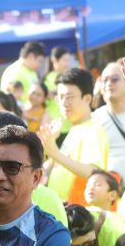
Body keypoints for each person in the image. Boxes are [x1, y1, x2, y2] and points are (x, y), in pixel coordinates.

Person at [40, 68, 110, 206]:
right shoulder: (75, 128)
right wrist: (49, 145)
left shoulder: (93, 130)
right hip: (63, 209)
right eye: (60, 97)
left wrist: (54, 152)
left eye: (69, 97)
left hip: (78, 212)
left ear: (87, 98)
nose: (64, 103)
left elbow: (94, 172)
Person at [91, 62, 125, 185]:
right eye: (105, 80)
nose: (109, 84)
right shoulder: (94, 119)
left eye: (115, 79)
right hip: (108, 191)